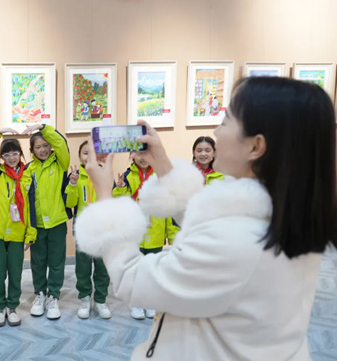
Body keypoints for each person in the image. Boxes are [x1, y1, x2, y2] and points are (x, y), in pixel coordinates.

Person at [75, 77, 337, 360]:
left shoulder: (237, 241)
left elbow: (133, 279)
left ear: (255, 146)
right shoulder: (285, 214)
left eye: (225, 121)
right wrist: (161, 163)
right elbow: (208, 217)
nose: (215, 131)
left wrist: (104, 194)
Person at [0, 128, 36, 327]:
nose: (11, 158)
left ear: (21, 154)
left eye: (15, 153)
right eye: (7, 154)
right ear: (1, 157)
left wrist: (30, 233)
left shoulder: (28, 175)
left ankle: (12, 307)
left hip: (18, 232)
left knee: (15, 272)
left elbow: (31, 207)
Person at [112, 151, 179, 320]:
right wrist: (120, 189)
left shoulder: (160, 177)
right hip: (135, 234)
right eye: (138, 153)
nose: (142, 158)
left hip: (156, 232)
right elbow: (120, 206)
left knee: (152, 270)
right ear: (132, 156)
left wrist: (172, 235)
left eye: (146, 153)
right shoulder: (126, 177)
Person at [23, 124, 71, 320]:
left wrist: (43, 127)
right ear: (32, 150)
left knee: (57, 262)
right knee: (38, 262)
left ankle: (54, 296)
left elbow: (61, 143)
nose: (43, 150)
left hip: (57, 222)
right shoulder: (28, 169)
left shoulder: (60, 164)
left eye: (46, 145)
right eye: (38, 147)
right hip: (38, 225)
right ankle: (40, 294)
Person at [65, 141, 111, 320]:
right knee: (82, 267)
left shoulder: (105, 175)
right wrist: (72, 185)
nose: (90, 156)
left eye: (94, 152)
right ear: (79, 156)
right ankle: (85, 299)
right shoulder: (76, 177)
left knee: (102, 267)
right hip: (83, 230)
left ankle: (100, 300)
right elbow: (70, 204)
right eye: (85, 153)